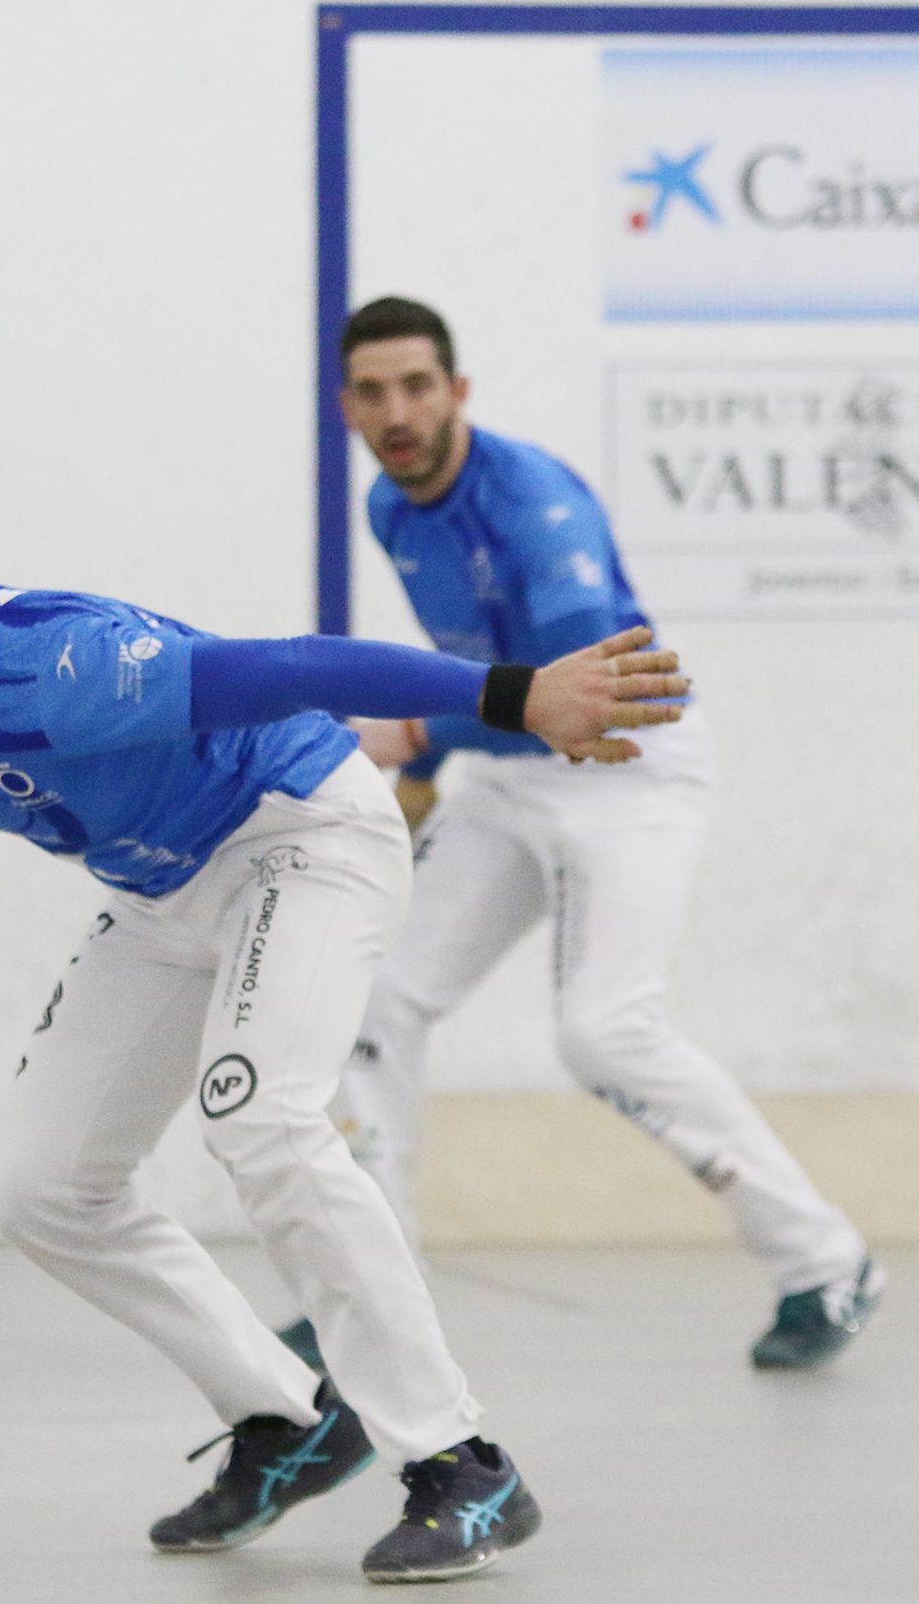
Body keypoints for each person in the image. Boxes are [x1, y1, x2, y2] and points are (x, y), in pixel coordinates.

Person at [0, 298, 689, 1582]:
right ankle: (288, 1422)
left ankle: (463, 1460)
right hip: (157, 891)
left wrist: (516, 697)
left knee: (261, 1118)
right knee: (41, 1189)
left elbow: (292, 664)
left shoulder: (54, 672)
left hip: (297, 833)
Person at [325, 296, 883, 1370]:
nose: (397, 412)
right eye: (374, 392)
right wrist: (436, 762)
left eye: (417, 386)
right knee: (375, 996)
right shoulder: (389, 509)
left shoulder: (532, 505)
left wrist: (406, 733)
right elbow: (492, 672)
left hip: (628, 763)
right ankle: (375, 1284)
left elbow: (589, 697)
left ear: (457, 394)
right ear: (346, 406)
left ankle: (826, 1261)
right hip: (511, 769)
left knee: (603, 1032)